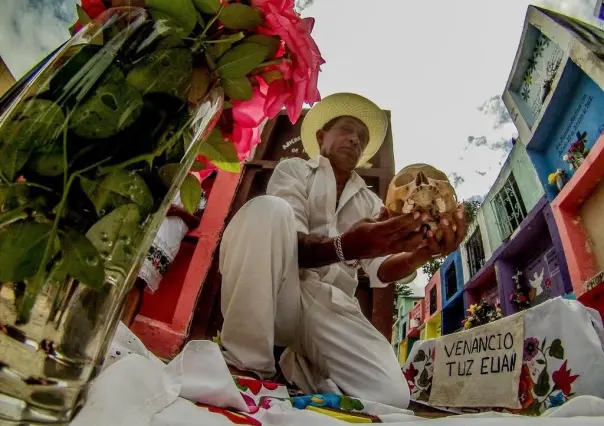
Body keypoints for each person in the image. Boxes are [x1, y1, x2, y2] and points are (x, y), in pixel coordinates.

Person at [218, 93, 467, 408]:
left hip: (333, 306)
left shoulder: (370, 202)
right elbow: (293, 245)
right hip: (282, 293)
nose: (355, 140)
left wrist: (423, 253)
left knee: (392, 398)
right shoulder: (294, 170)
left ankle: (302, 374)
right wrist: (346, 246)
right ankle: (247, 365)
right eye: (347, 130)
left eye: (361, 139)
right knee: (267, 209)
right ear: (322, 137)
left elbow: (381, 271)